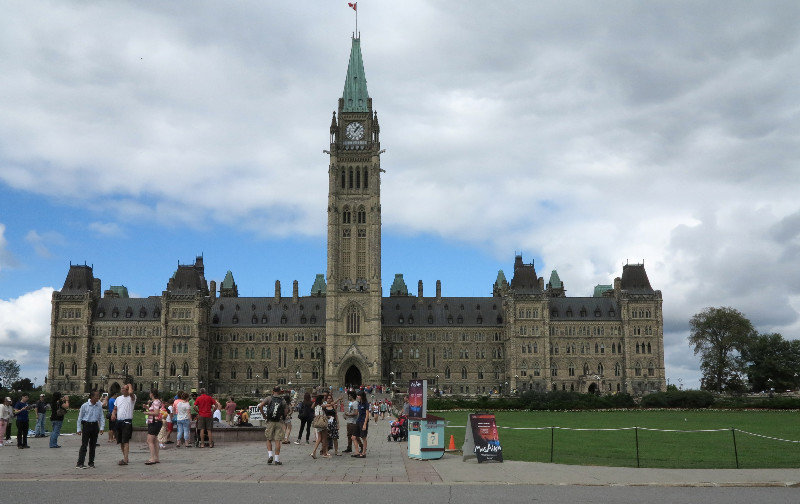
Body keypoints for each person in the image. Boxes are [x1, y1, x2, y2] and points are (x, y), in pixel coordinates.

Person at [75, 390, 105, 469]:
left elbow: (101, 416)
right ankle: (80, 463)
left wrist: (102, 427)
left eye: (98, 396)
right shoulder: (85, 406)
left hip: (95, 426)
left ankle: (91, 462)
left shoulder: (99, 405)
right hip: (87, 425)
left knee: (93, 445)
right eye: (96, 396)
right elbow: (80, 418)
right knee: (84, 445)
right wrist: (78, 429)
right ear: (91, 397)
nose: (98, 398)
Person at [258, 386, 286, 465]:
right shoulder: (282, 400)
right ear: (280, 392)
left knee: (269, 439)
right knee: (278, 440)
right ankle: (276, 460)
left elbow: (260, 406)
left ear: (273, 391)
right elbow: (286, 410)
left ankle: (270, 455)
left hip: (270, 421)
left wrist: (264, 415)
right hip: (278, 421)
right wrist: (283, 417)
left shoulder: (269, 398)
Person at [110, 383, 136, 465]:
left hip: (127, 422)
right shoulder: (118, 398)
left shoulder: (132, 398)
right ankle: (125, 457)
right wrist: (113, 414)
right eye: (122, 388)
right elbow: (115, 409)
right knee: (120, 441)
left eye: (125, 389)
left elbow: (131, 393)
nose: (122, 390)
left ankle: (125, 459)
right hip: (119, 421)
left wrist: (130, 385)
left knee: (126, 441)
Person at [143, 389, 163, 465]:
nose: (149, 394)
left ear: (152, 394)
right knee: (155, 441)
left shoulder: (155, 402)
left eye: (150, 393)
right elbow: (154, 410)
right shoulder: (156, 402)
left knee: (149, 441)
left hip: (154, 422)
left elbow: (156, 413)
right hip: (156, 422)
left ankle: (152, 458)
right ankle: (156, 457)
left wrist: (146, 412)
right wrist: (147, 408)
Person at [310, 394, 329, 459]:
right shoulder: (321, 405)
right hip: (322, 423)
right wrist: (338, 400)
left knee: (319, 438)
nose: (324, 399)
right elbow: (329, 405)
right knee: (324, 439)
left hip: (317, 423)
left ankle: (314, 451)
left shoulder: (316, 406)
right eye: (323, 398)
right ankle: (324, 453)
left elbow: (311, 407)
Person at [352, 390, 368, 458]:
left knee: (363, 437)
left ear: (361, 396)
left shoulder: (365, 403)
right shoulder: (359, 403)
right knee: (353, 437)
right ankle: (357, 452)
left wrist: (365, 424)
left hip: (363, 422)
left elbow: (367, 415)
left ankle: (364, 453)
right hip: (358, 421)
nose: (357, 396)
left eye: (358, 395)